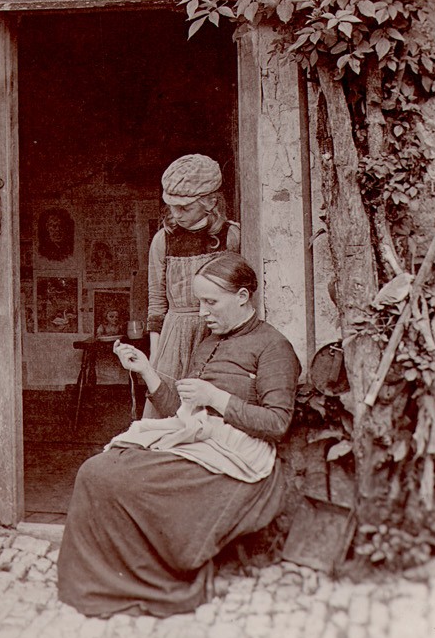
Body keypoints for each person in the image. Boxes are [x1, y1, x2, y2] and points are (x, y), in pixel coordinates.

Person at [57, 253, 301, 618]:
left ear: (243, 296)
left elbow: (277, 424)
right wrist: (146, 372)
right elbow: (184, 411)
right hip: (199, 440)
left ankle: (150, 578)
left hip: (240, 457)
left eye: (210, 302)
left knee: (123, 479)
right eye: (200, 302)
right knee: (97, 470)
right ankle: (106, 578)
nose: (202, 312)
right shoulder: (207, 340)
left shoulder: (273, 347)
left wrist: (217, 398)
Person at [146, 154, 241, 385]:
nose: (176, 215)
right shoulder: (163, 240)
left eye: (185, 208)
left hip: (217, 333)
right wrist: (155, 357)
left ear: (210, 203)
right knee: (169, 405)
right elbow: (157, 302)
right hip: (174, 338)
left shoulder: (231, 236)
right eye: (172, 207)